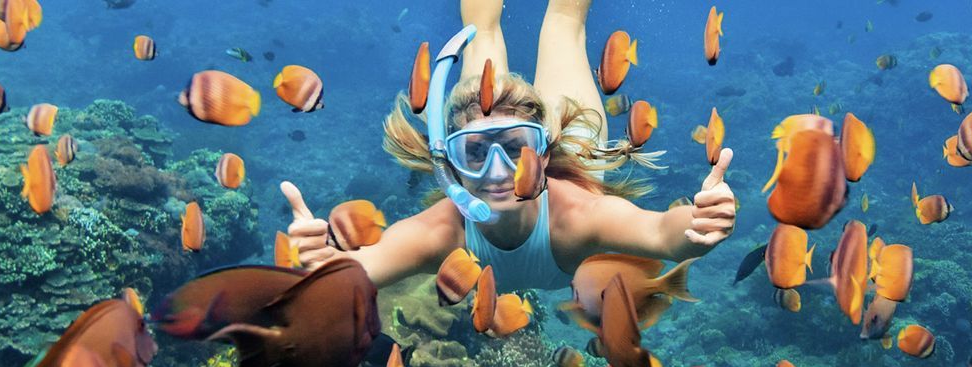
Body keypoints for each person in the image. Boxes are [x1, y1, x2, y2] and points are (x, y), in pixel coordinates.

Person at [281, 0, 738, 292]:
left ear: (543, 150)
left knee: (562, 21)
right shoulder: (444, 230)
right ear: (451, 165)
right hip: (548, 140)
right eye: (475, 153)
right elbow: (363, 269)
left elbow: (663, 235)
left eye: (516, 148)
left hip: (573, 153)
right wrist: (326, 263)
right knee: (527, 35)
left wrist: (699, 224)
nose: (499, 171)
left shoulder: (577, 217)